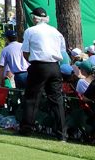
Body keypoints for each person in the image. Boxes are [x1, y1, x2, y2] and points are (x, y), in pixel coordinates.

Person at [20, 7, 66, 141]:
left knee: (32, 98)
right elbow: (61, 51)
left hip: (39, 65)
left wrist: (33, 62)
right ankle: (62, 134)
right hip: (55, 66)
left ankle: (27, 129)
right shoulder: (55, 31)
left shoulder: (30, 31)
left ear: (35, 18)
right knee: (57, 100)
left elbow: (25, 52)